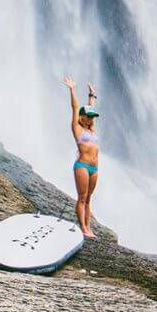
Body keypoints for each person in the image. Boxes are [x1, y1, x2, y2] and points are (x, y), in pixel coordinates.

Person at [63, 76, 99, 238]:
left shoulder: (92, 130)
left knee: (89, 198)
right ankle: (83, 228)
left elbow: (90, 107)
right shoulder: (77, 129)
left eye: (93, 117)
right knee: (82, 197)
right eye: (89, 116)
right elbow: (76, 108)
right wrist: (72, 89)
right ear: (83, 118)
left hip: (94, 168)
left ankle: (88, 228)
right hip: (82, 166)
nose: (91, 119)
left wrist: (92, 95)